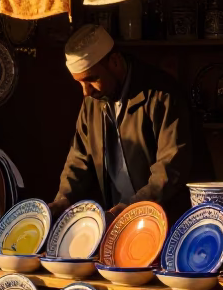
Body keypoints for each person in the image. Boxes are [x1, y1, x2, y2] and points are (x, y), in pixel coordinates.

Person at [51, 24, 192, 221]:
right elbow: (79, 158)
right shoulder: (92, 102)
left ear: (115, 62)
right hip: (119, 219)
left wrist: (129, 209)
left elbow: (170, 166)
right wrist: (63, 201)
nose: (86, 91)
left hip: (165, 219)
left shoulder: (162, 95)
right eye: (80, 83)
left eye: (91, 79)